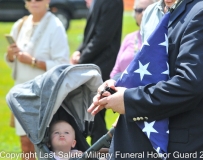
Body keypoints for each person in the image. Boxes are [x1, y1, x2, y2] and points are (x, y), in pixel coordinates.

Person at [88, 0, 203, 159]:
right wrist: (119, 83)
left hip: (197, 145)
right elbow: (155, 67)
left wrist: (129, 100)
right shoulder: (187, 8)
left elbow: (189, 85)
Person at [5, 0, 69, 158]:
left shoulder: (56, 26)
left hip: (43, 96)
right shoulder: (20, 24)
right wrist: (11, 56)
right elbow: (10, 62)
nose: (33, 2)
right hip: (21, 94)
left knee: (45, 147)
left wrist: (33, 61)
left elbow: (62, 65)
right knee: (25, 146)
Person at [70, 0, 123, 144]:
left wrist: (81, 59)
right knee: (92, 117)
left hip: (102, 68)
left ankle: (101, 150)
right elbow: (90, 33)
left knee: (95, 114)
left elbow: (102, 37)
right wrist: (79, 51)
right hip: (92, 65)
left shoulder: (113, 2)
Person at [110, 0, 157, 80]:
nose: (143, 13)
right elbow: (116, 71)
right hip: (119, 86)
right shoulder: (129, 38)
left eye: (148, 9)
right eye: (139, 10)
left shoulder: (161, 39)